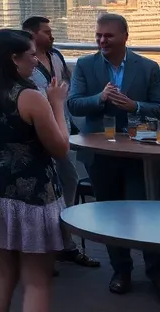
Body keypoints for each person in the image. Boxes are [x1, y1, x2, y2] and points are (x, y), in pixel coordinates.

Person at [0, 29, 70, 312]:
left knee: (3, 273)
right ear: (14, 58)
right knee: (36, 278)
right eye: (31, 54)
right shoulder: (29, 96)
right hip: (30, 193)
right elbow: (60, 148)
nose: (35, 60)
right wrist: (57, 103)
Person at [69, 12, 160, 302]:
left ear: (125, 37)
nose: (102, 40)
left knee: (150, 214)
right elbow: (74, 105)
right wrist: (100, 99)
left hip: (140, 155)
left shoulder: (148, 67)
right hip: (102, 155)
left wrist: (134, 105)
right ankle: (121, 270)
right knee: (111, 215)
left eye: (109, 35)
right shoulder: (85, 66)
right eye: (99, 35)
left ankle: (159, 273)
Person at [22, 16, 98, 269]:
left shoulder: (56, 56)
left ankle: (63, 240)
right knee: (42, 191)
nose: (52, 35)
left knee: (68, 179)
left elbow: (63, 90)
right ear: (32, 35)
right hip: (37, 133)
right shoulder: (25, 63)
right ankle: (49, 247)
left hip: (59, 127)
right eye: (47, 31)